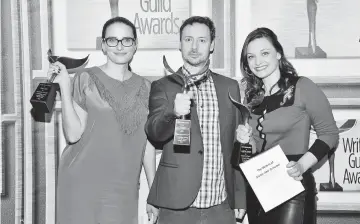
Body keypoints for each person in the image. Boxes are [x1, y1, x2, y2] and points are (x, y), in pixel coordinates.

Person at [49, 17, 158, 224]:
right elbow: (72, 135)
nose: (119, 46)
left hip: (123, 187)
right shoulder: (85, 78)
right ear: (103, 46)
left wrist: (154, 192)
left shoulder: (147, 88)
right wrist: (64, 86)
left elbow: (148, 145)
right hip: (81, 183)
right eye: (112, 40)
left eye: (126, 40)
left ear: (135, 45)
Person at [145, 16, 246, 224]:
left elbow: (235, 147)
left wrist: (241, 197)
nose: (194, 46)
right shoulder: (163, 86)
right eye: (188, 39)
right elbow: (154, 133)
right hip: (175, 205)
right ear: (180, 44)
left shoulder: (229, 87)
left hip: (221, 205)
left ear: (212, 45)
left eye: (202, 40)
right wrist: (172, 113)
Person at [236, 27, 339, 224]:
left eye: (264, 53)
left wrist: (302, 165)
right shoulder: (249, 97)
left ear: (278, 53)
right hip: (258, 187)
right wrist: (246, 140)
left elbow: (329, 134)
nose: (258, 62)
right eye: (251, 57)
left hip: (293, 184)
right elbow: (255, 147)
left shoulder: (302, 87)